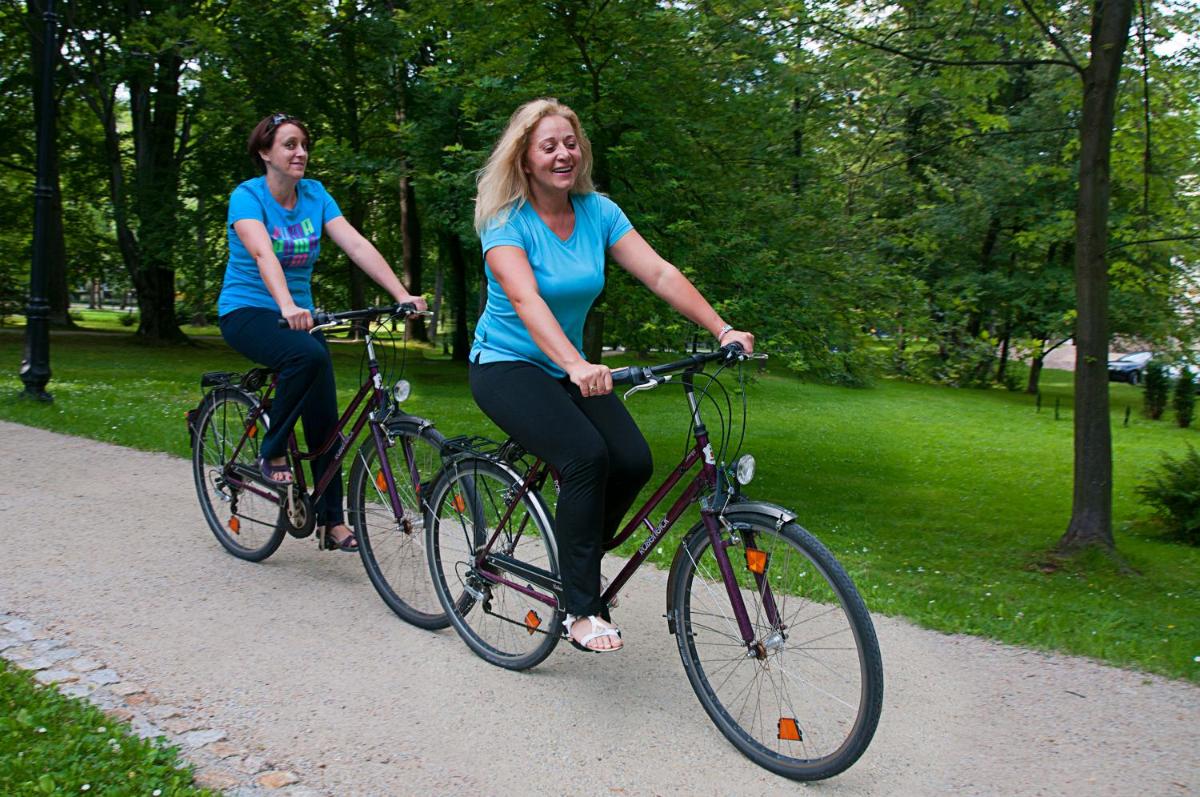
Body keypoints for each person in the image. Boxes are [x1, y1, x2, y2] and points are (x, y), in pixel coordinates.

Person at [469, 99, 754, 652]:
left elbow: (659, 272)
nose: (563, 154)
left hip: (566, 366)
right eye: (548, 146)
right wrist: (575, 364)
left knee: (632, 460)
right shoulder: (505, 222)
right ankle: (580, 606)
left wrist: (722, 328)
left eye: (570, 143)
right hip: (505, 365)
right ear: (524, 159)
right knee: (585, 456)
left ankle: (575, 560)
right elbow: (526, 299)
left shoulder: (598, 212)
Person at [217, 113, 426, 551]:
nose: (301, 153)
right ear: (265, 152)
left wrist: (401, 294)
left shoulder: (314, 195)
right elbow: (262, 253)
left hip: (299, 317)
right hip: (248, 311)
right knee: (306, 356)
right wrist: (287, 304)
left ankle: (332, 521)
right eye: (289, 144)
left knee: (325, 418)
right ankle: (272, 448)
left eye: (304, 145)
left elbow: (356, 244)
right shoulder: (247, 197)